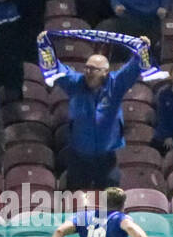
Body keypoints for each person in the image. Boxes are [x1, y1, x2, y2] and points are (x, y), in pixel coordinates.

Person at [40, 32, 150, 189]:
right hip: (78, 155)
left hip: (106, 158)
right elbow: (54, 68)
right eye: (86, 68)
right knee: (75, 199)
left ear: (106, 72)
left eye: (94, 69)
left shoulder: (115, 85)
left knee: (110, 201)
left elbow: (133, 69)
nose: (88, 72)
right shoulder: (75, 83)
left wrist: (143, 49)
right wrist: (44, 47)